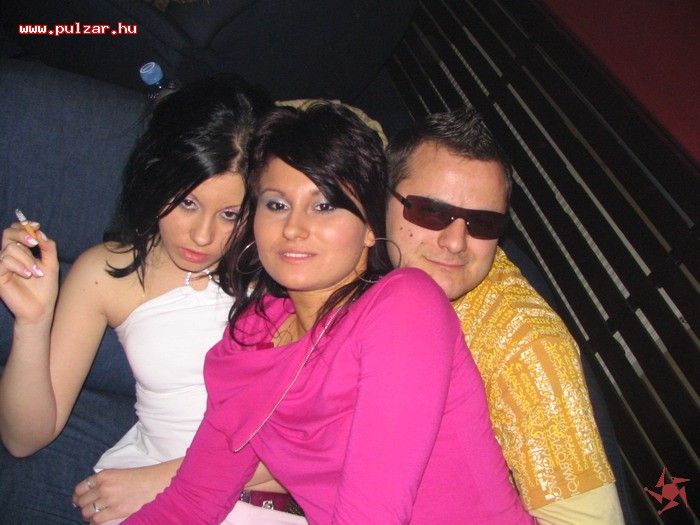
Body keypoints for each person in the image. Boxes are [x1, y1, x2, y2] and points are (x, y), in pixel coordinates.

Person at [123, 102, 533, 524]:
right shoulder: (252, 338)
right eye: (276, 205)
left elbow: (370, 517)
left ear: (371, 227)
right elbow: (191, 502)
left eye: (323, 206)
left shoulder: (405, 308)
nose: (293, 229)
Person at [0, 75, 305, 525]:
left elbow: (326, 439)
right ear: (155, 178)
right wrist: (32, 323)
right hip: (153, 501)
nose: (202, 236)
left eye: (230, 214)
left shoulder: (289, 269)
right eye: (186, 203)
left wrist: (167, 479)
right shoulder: (104, 273)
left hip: (251, 499)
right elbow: (24, 439)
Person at [385, 107, 624, 524]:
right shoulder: (367, 260)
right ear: (381, 199)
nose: (456, 242)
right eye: (431, 211)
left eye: (482, 223)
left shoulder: (527, 350)